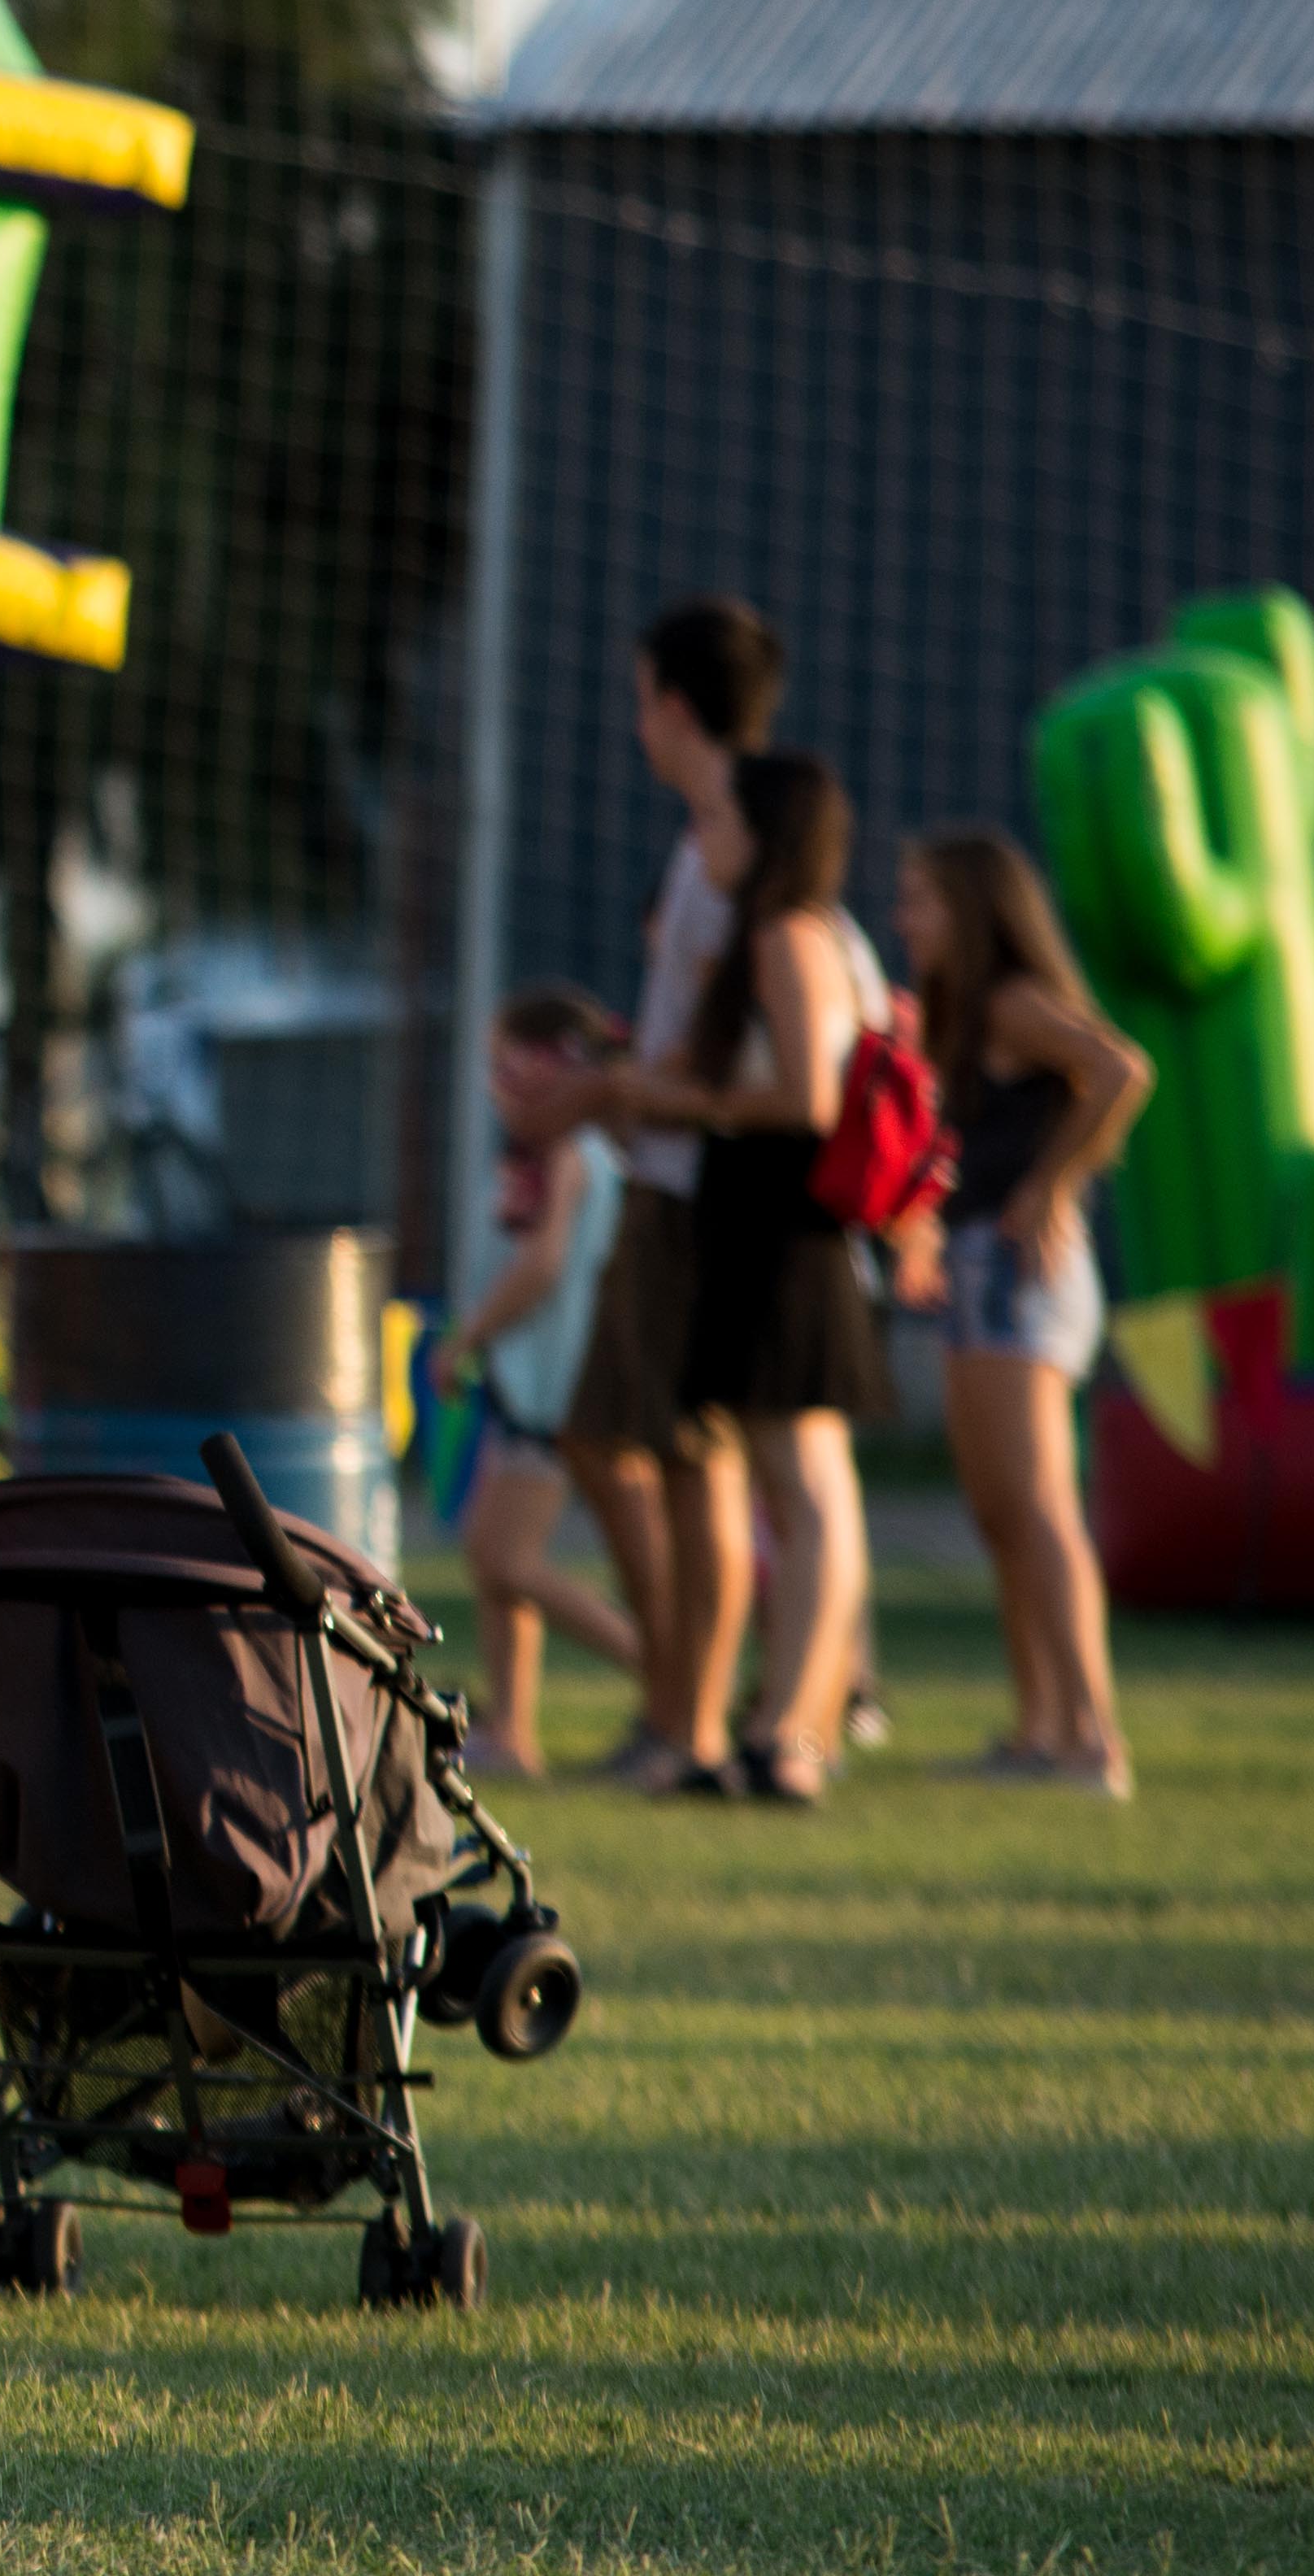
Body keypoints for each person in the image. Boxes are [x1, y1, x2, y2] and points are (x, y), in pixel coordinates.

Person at [510, 597, 778, 1794]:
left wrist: (609, 1094)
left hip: (704, 1195)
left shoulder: (741, 848)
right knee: (625, 1442)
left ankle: (697, 1725)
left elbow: (737, 1064)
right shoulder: (706, 842)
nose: (635, 723)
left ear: (673, 704)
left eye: (638, 698)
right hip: (665, 1186)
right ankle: (674, 1710)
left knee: (691, 1460)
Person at [607, 751, 887, 1805]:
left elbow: (809, 1100)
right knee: (797, 1485)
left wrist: (694, 1106)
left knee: (806, 1486)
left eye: (722, 823)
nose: (701, 840)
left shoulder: (785, 935)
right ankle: (786, 1728)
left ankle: (791, 1733)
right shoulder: (768, 937)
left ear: (768, 837)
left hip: (786, 1233)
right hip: (766, 1228)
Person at [894, 830, 1151, 1796]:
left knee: (1039, 1504)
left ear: (971, 911)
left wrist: (1052, 1183)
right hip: (976, 1266)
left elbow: (1124, 1070)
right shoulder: (960, 1018)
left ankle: (1093, 1737)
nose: (904, 918)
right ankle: (1039, 1728)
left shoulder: (1012, 1000)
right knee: (1002, 1508)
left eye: (920, 899)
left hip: (1022, 1271)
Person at [441, 986, 652, 1778]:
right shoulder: (545, 1157)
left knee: (503, 1557)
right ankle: (513, 1730)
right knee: (494, 1555)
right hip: (523, 1379)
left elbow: (544, 1265)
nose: (496, 1087)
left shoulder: (573, 1155)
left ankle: (667, 1670)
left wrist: (468, 1336)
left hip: (550, 1387)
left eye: (507, 1067)